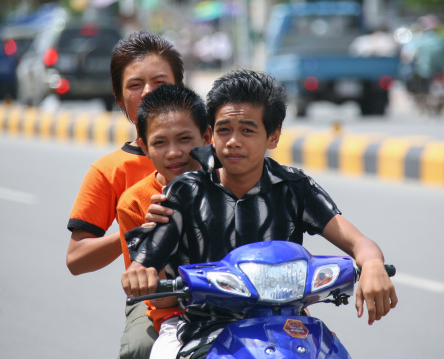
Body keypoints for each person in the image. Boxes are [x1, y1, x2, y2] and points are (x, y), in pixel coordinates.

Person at [121, 69, 398, 358]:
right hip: (204, 331)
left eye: (248, 130)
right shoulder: (186, 191)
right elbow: (144, 264)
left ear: (273, 135)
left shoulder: (294, 187)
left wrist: (373, 265)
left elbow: (358, 242)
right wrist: (139, 273)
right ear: (210, 135)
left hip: (287, 327)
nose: (233, 141)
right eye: (224, 129)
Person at [65, 30, 184, 359]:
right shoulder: (109, 170)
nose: (148, 93)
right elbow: (76, 259)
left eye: (160, 82)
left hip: (226, 285)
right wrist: (135, 233)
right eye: (135, 85)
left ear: (180, 88)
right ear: (119, 100)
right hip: (157, 298)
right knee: (141, 348)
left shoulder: (214, 155)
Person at [117, 84, 212, 359]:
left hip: (247, 302)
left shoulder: (230, 180)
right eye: (160, 143)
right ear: (145, 147)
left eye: (184, 139)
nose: (173, 153)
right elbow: (160, 296)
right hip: (178, 314)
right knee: (139, 349)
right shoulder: (135, 203)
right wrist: (155, 235)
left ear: (206, 137)